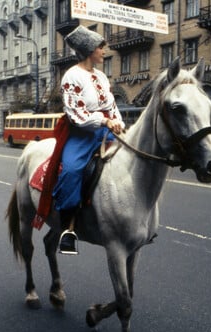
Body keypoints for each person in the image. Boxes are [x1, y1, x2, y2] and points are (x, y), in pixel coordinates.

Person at [52, 26, 125, 255]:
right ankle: (68, 229)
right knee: (72, 171)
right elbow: (76, 113)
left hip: (106, 131)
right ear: (88, 50)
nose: (104, 51)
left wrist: (118, 123)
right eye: (100, 47)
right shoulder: (72, 75)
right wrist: (104, 122)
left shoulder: (102, 76)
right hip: (82, 133)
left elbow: (111, 106)